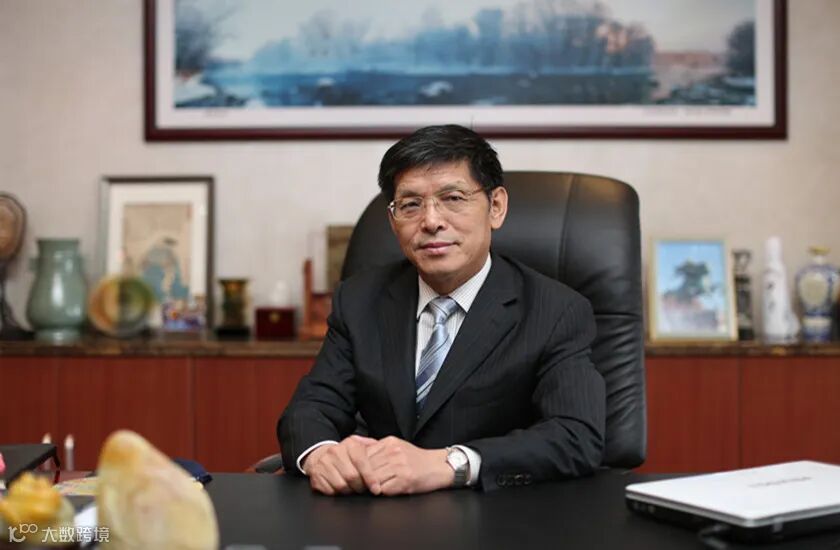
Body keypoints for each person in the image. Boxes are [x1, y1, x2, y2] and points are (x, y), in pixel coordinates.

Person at [278, 124, 605, 495]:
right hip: (381, 513)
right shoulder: (360, 299)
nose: (431, 221)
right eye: (411, 205)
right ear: (393, 220)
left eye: (453, 198)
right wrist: (321, 455)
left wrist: (451, 463)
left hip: (498, 515)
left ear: (496, 207)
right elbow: (311, 408)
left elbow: (576, 434)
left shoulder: (555, 311)